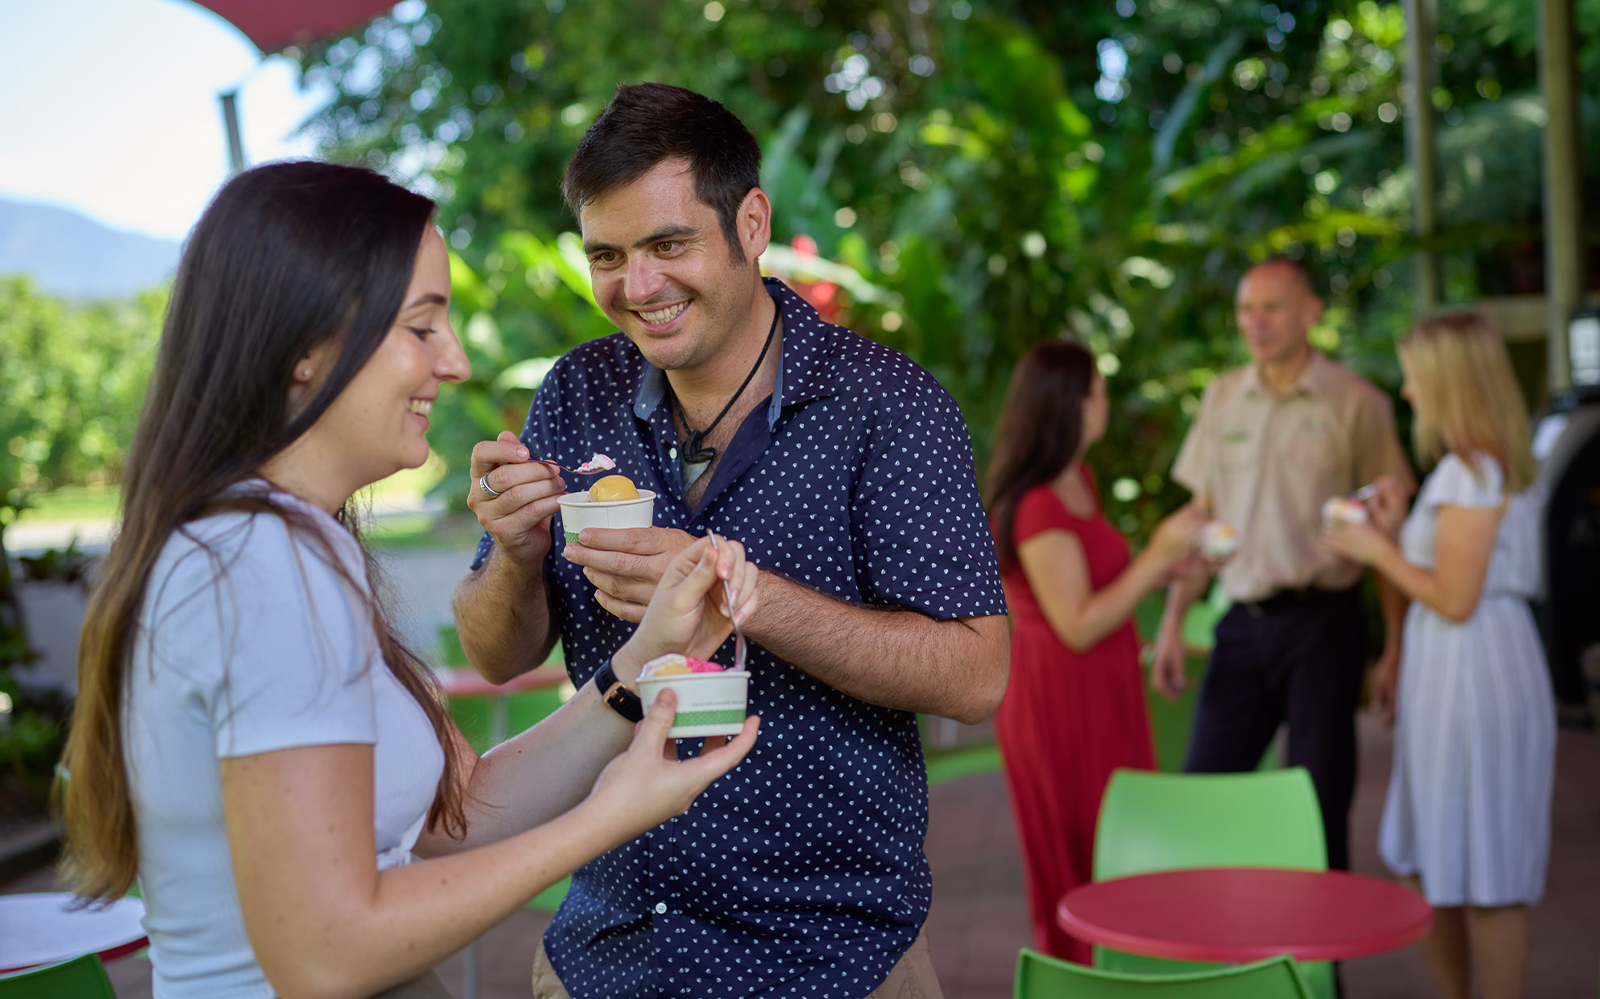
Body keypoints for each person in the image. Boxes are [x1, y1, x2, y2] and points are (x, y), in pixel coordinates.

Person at [59, 161, 759, 999]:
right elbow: (325, 953)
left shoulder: (285, 544)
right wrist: (608, 819)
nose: (456, 362)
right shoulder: (259, 561)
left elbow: (455, 818)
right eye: (423, 327)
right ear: (305, 349)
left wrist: (645, 662)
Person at [452, 82, 1009, 999]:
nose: (638, 287)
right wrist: (511, 553)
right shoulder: (576, 392)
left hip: (829, 962)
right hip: (607, 952)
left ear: (751, 222)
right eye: (608, 255)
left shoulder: (888, 407)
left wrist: (749, 597)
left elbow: (976, 674)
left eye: (670, 244)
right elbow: (498, 652)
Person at [1150, 256, 1414, 871]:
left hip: (1324, 625)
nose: (1255, 323)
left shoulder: (1358, 403)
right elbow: (1205, 526)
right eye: (1246, 308)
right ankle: (1220, 955)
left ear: (1310, 314)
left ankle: (1324, 969)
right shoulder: (1221, 400)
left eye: (1271, 307)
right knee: (1206, 795)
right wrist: (1171, 622)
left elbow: (1386, 536)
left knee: (1320, 807)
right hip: (1240, 622)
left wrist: (1395, 644)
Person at [1322, 312, 1552, 999]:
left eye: (1419, 376)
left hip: (1477, 675)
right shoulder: (1464, 471)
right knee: (1439, 858)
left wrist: (1373, 548)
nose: (1410, 389)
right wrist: (1393, 532)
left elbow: (1454, 598)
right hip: (1455, 673)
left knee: (1487, 871)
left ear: (1451, 382)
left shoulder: (1474, 471)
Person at [986, 341, 1205, 963]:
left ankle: (1126, 971)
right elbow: (1077, 623)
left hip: (1104, 691)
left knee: (1122, 849)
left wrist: (1175, 571)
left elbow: (1105, 589)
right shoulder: (1037, 504)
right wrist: (1156, 556)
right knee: (1079, 859)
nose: (1106, 402)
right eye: (1100, 391)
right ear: (1075, 406)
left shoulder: (1077, 481)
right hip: (1061, 702)